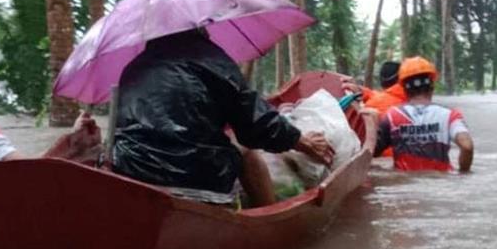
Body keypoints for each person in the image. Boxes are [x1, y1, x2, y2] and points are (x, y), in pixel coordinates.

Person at [111, 29, 333, 207]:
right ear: (196, 27)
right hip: (199, 182)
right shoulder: (209, 58)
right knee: (245, 150)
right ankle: (270, 218)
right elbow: (257, 126)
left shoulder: (132, 68)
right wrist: (303, 142)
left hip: (132, 177)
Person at [373, 56, 474, 173]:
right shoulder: (450, 115)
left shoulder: (391, 116)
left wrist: (371, 122)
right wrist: (463, 172)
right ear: (432, 86)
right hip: (442, 185)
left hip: (404, 184)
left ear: (404, 89)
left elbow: (372, 151)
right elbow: (467, 147)